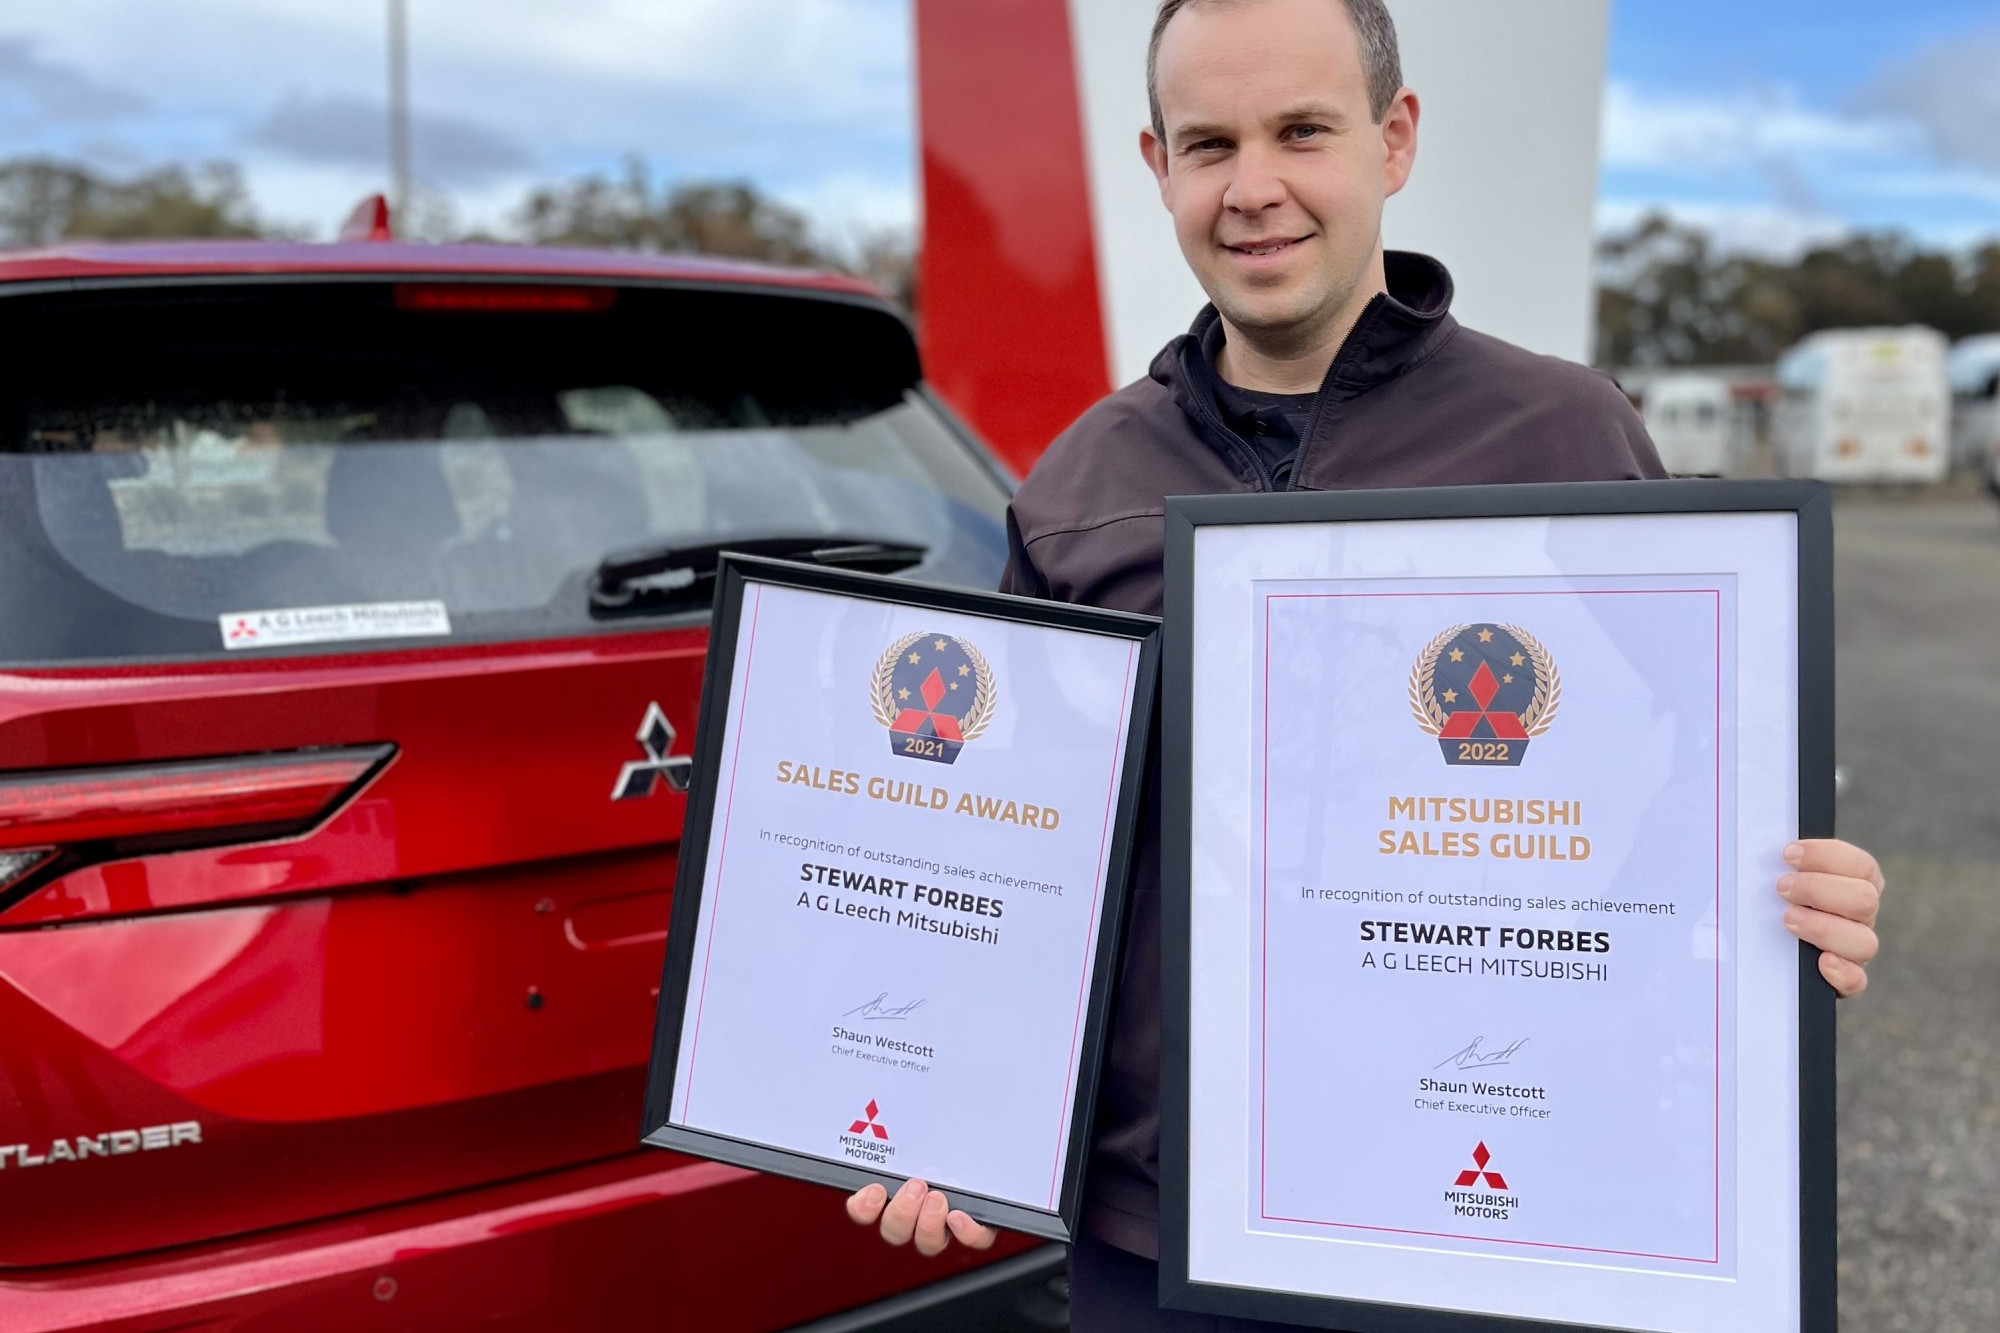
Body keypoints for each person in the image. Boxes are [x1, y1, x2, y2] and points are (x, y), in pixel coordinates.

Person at [846, 0, 1887, 1325]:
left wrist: (1790, 893)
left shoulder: (1566, 436)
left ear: (1394, 142)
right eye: (1210, 143)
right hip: (1159, 1235)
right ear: (1158, 165)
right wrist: (950, 1100)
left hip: (1497, 1205)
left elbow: (1728, 757)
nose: (1255, 187)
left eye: (1303, 131)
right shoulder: (1079, 484)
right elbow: (1013, 857)